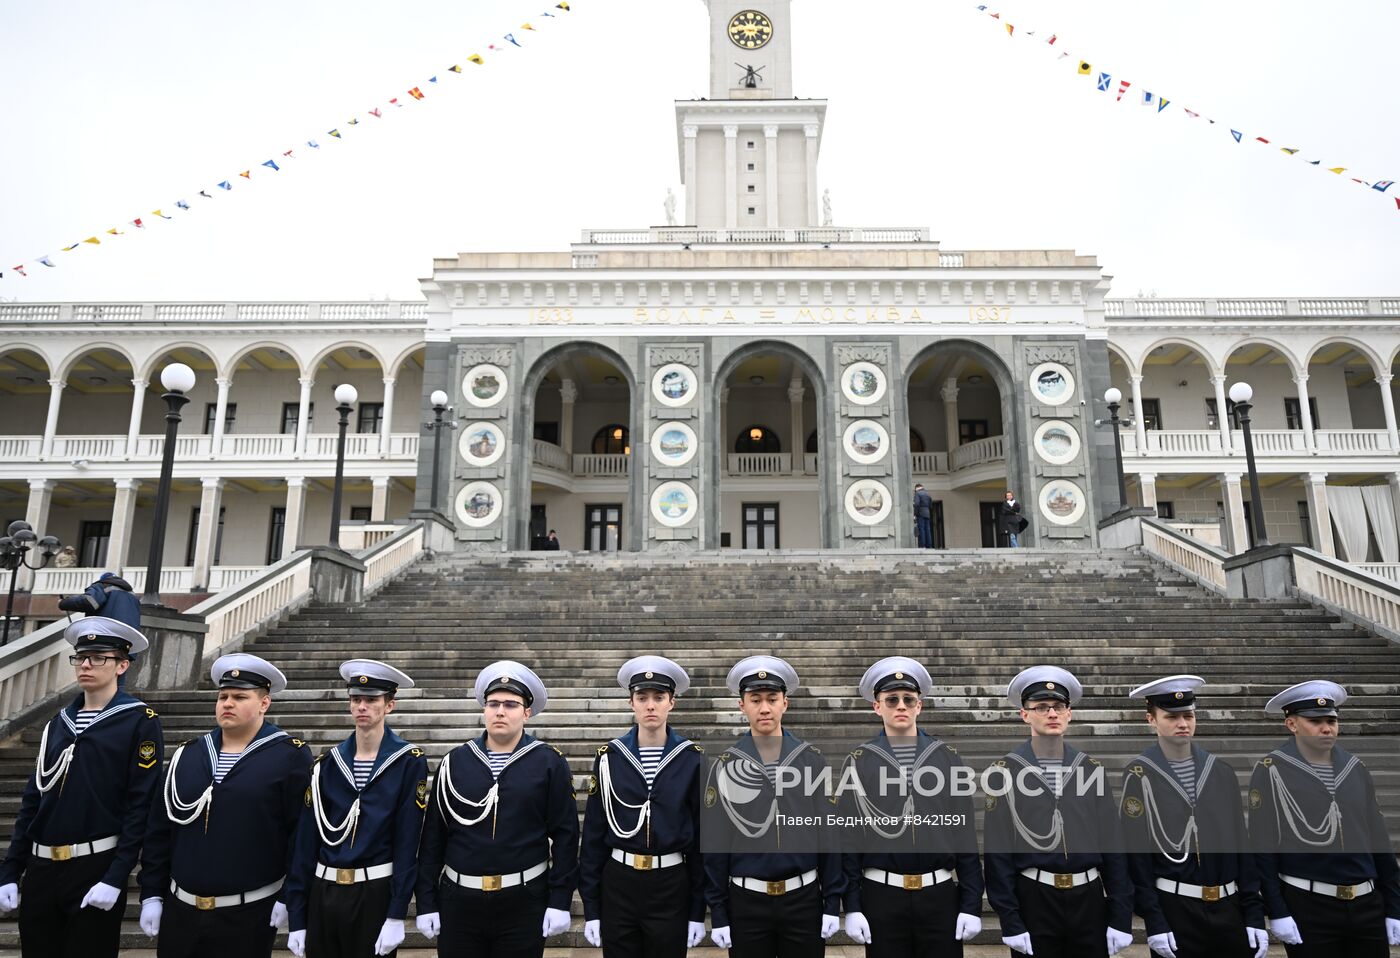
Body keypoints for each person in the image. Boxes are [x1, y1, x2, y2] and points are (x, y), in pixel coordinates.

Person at [0, 617, 162, 958]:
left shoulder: (138, 721)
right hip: (42, 867)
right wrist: (11, 870)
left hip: (94, 865)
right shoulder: (57, 724)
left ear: (122, 665)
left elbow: (140, 805)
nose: (86, 664)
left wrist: (117, 876)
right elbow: (33, 801)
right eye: (81, 656)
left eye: (99, 657)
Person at [138, 653, 313, 958]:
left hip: (247, 914)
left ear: (264, 703)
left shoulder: (289, 757)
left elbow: (300, 835)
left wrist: (290, 896)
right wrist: (152, 893)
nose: (227, 703)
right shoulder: (188, 755)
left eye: (239, 696)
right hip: (181, 912)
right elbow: (159, 830)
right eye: (223, 696)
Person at [415, 661, 578, 958]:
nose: (500, 711)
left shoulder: (548, 763)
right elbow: (433, 838)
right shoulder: (455, 762)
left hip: (524, 900)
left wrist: (560, 899)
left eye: (511, 704)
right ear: (484, 710)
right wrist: (426, 901)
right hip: (459, 901)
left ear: (527, 712)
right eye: (493, 703)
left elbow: (566, 836)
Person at [983, 665, 1134, 957]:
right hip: (1034, 899)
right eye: (1041, 707)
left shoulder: (1090, 769)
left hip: (1088, 898)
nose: (1052, 714)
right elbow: (997, 853)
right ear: (1024, 714)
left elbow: (1113, 846)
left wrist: (1120, 914)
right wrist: (1010, 920)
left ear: (1069, 713)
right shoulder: (1005, 772)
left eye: (1058, 707)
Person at [837, 656, 983, 957]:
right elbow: (848, 842)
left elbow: (965, 836)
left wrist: (971, 903)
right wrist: (851, 906)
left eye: (908, 699)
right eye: (891, 700)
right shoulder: (859, 762)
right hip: (881, 898)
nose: (900, 705)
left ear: (920, 706)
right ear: (877, 706)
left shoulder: (946, 758)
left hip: (939, 896)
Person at [285, 660, 428, 958]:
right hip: (324, 890)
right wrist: (297, 914)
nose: (362, 706)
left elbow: (407, 841)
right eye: (356, 699)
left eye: (372, 700)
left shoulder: (407, 761)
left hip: (373, 891)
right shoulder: (327, 764)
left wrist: (396, 912)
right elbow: (306, 842)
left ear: (390, 705)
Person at [703, 655, 844, 957]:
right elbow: (715, 844)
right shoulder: (725, 766)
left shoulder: (811, 760)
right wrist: (718, 910)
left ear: (785, 703)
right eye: (755, 699)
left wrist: (833, 901)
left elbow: (829, 837)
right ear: (742, 705)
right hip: (746, 902)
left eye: (772, 698)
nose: (764, 708)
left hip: (803, 900)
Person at [1119, 675, 1267, 958]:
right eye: (1172, 717)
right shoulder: (1140, 775)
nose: (1183, 723)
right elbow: (1136, 855)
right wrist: (1154, 919)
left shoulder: (1221, 772)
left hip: (1228, 906)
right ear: (1151, 719)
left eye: (1188, 715)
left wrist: (1253, 912)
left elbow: (1241, 845)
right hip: (1176, 909)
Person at [1248, 680, 1400, 955]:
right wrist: (1276, 910)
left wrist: (1394, 904)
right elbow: (1263, 847)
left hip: (1366, 904)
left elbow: (1378, 840)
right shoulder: (1272, 770)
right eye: (1315, 721)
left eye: (1331, 720)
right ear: (1292, 724)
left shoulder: (1355, 768)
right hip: (1309, 905)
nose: (1327, 728)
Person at [579, 656, 707, 957]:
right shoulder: (610, 757)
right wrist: (592, 907)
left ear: (671, 703)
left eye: (659, 697)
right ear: (631, 703)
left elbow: (702, 840)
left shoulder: (692, 759)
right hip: (619, 882)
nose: (651, 705)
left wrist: (697, 909)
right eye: (642, 697)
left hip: (671, 883)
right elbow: (593, 837)